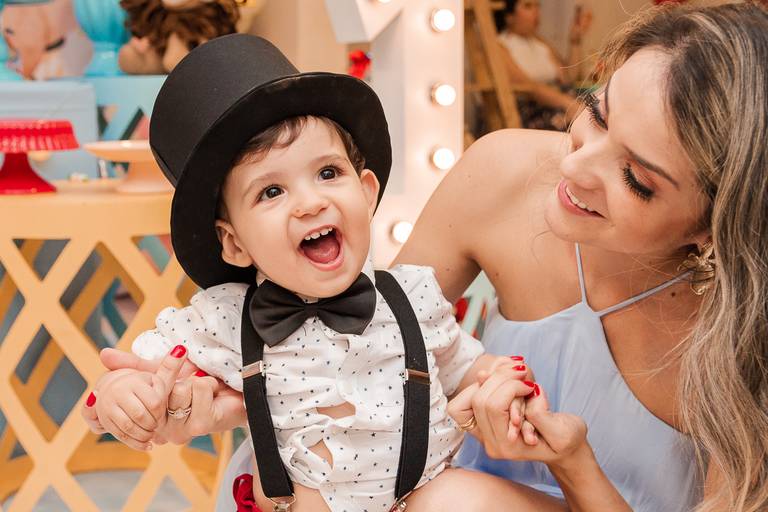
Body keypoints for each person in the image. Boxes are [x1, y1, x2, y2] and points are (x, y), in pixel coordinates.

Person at [86, 3, 768, 511]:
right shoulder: (505, 173)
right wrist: (222, 403)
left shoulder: (742, 343)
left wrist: (572, 462)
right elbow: (364, 351)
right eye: (596, 110)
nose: (578, 163)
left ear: (714, 225)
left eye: (637, 178)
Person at [81, 33, 546, 512]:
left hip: (420, 499)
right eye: (270, 192)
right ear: (235, 243)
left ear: (366, 191)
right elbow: (137, 374)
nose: (310, 202)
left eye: (327, 173)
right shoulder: (221, 319)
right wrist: (121, 396)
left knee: (462, 498)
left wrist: (499, 383)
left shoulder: (413, 295)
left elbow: (461, 368)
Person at [492, 0, 592, 130]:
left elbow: (568, 77)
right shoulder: (500, 45)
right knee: (581, 121)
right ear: (509, 15)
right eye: (528, 6)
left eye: (537, 6)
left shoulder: (540, 42)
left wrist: (575, 39)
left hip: (559, 104)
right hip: (530, 112)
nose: (536, 12)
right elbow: (529, 87)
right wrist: (569, 104)